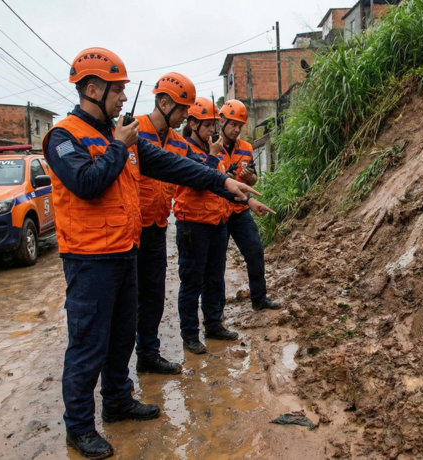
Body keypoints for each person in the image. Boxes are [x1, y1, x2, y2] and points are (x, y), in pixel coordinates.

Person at [43, 48, 258, 460]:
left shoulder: (119, 136)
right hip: (89, 260)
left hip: (126, 249)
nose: (124, 98)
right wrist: (119, 149)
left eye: (124, 90)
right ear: (92, 88)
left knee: (124, 333)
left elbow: (173, 167)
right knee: (89, 344)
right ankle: (79, 428)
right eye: (117, 90)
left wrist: (223, 184)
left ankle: (118, 399)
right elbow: (86, 184)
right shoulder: (64, 136)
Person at [175, 97, 273, 354]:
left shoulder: (215, 150)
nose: (212, 131)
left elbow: (221, 185)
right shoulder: (184, 150)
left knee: (214, 277)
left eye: (212, 125)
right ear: (193, 124)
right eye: (208, 126)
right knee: (192, 281)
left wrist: (249, 201)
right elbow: (199, 181)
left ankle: (213, 325)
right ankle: (190, 335)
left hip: (216, 220)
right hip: (192, 224)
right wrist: (212, 157)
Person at [132, 72, 195, 376]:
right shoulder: (132, 131)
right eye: (182, 109)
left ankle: (147, 354)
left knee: (154, 294)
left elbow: (199, 172)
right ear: (163, 102)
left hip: (157, 227)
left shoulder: (180, 145)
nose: (185, 116)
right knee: (126, 299)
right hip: (128, 231)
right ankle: (115, 369)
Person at [218, 100, 281, 311]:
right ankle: (216, 312)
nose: (236, 129)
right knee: (216, 263)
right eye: (233, 124)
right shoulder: (211, 147)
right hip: (218, 212)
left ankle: (260, 300)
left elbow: (252, 181)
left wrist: (250, 176)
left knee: (255, 251)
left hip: (240, 210)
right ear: (222, 121)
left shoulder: (246, 148)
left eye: (240, 126)